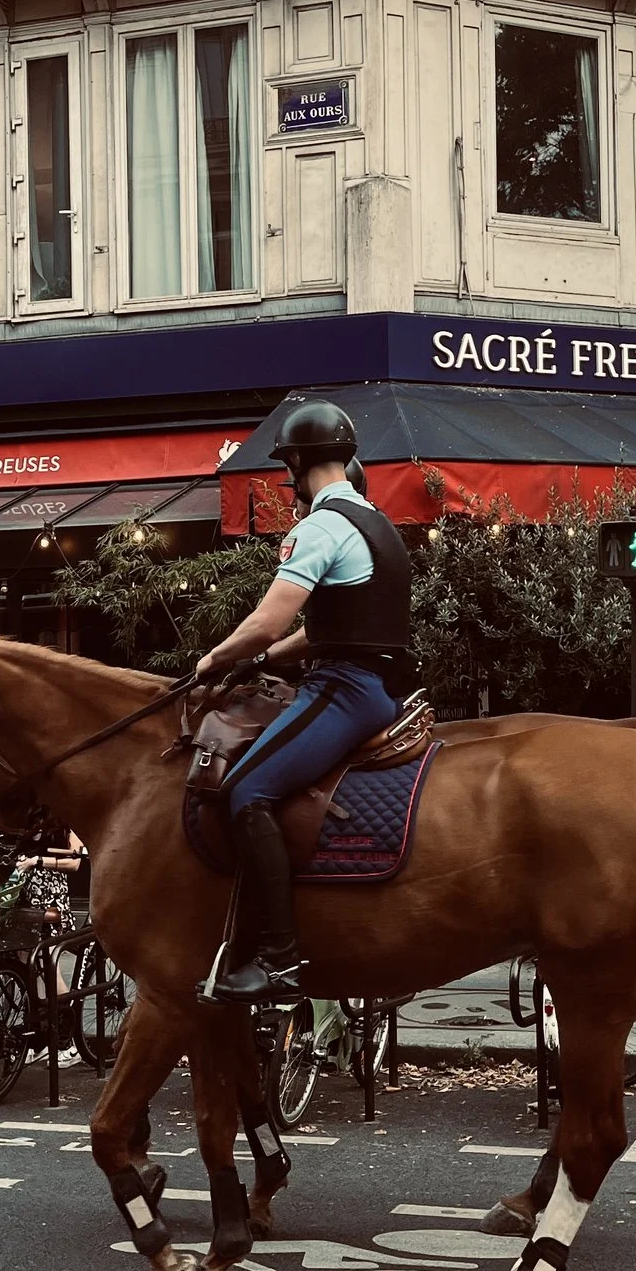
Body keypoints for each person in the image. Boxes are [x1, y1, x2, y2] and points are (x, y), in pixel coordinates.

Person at [193, 398, 413, 1004]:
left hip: (345, 690)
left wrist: (214, 660)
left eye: (288, 463)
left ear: (297, 461)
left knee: (245, 792)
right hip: (377, 683)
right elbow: (322, 628)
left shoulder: (319, 525)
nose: (287, 475)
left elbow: (268, 619)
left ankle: (280, 958)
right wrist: (266, 662)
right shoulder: (375, 520)